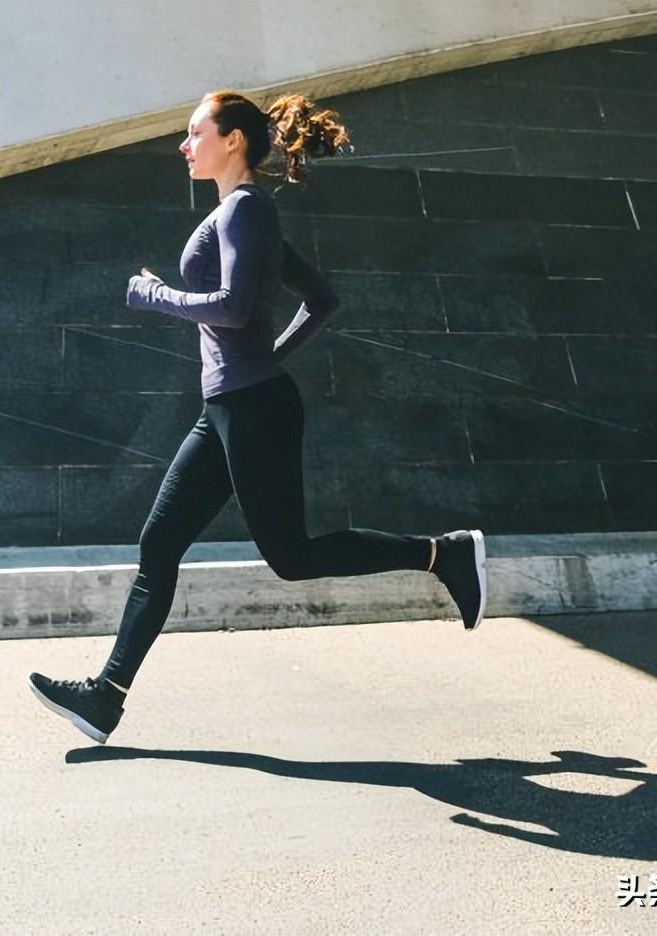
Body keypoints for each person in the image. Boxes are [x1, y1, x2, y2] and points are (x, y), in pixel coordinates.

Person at [29, 90, 486, 744]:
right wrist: (265, 357)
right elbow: (320, 299)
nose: (184, 147)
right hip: (228, 406)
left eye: (194, 133)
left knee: (291, 557)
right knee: (159, 543)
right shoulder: (247, 215)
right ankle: (106, 697)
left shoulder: (245, 210)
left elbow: (234, 308)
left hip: (253, 409)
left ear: (232, 139)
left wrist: (156, 294)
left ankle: (446, 555)